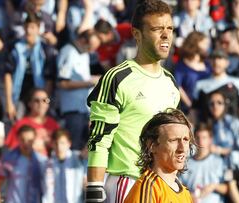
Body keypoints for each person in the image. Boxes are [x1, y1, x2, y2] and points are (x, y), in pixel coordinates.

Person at [85, 1, 180, 202]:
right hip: (128, 183)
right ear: (137, 34)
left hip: (163, 185)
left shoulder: (170, 83)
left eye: (169, 28)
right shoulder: (117, 78)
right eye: (156, 29)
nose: (166, 35)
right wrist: (94, 190)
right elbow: (99, 139)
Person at [124, 109, 193, 203]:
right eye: (173, 140)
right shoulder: (149, 188)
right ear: (152, 146)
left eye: (185, 139)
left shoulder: (185, 193)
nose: (182, 148)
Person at [3, 12, 57, 120]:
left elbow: (49, 79)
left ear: (38, 29)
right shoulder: (14, 47)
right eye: (26, 27)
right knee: (16, 122)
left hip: (39, 94)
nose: (28, 30)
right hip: (18, 94)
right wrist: (9, 102)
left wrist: (44, 101)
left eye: (32, 27)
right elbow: (7, 75)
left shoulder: (46, 49)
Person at [57, 29, 101, 150]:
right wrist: (89, 83)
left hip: (85, 110)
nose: (91, 51)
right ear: (82, 40)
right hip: (72, 111)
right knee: (74, 148)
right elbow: (63, 83)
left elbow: (81, 78)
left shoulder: (84, 54)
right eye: (90, 47)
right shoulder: (68, 52)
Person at [193, 49, 239, 123]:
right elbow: (194, 111)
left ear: (227, 63)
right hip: (208, 130)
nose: (216, 62)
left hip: (233, 129)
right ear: (209, 62)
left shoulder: (237, 82)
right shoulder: (200, 85)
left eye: (220, 59)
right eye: (213, 59)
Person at [180, 122, 229, 203]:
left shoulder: (219, 161)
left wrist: (214, 186)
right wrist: (188, 195)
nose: (201, 141)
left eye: (204, 138)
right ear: (194, 139)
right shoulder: (185, 163)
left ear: (210, 139)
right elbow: (179, 189)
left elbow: (227, 189)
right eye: (198, 137)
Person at [0, 125, 47, 203]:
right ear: (18, 139)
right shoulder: (7, 160)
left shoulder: (42, 161)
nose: (26, 143)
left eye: (29, 140)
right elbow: (0, 182)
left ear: (34, 139)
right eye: (22, 140)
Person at [5, 88, 59, 156]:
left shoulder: (53, 124)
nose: (41, 104)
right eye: (37, 101)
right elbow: (12, 149)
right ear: (29, 103)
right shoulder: (21, 124)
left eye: (45, 100)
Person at [43, 129, 86, 203]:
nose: (59, 147)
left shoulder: (77, 158)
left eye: (62, 143)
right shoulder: (47, 163)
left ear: (69, 144)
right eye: (56, 143)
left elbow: (87, 152)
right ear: (52, 144)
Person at [174, 31, 211, 114]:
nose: (207, 46)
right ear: (195, 42)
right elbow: (178, 87)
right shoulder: (181, 65)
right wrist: (190, 104)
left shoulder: (208, 64)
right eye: (204, 43)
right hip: (188, 109)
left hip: (207, 106)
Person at [207, 91, 239, 157]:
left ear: (225, 104)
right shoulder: (206, 124)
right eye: (212, 104)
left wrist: (221, 150)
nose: (215, 106)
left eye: (219, 103)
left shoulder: (234, 122)